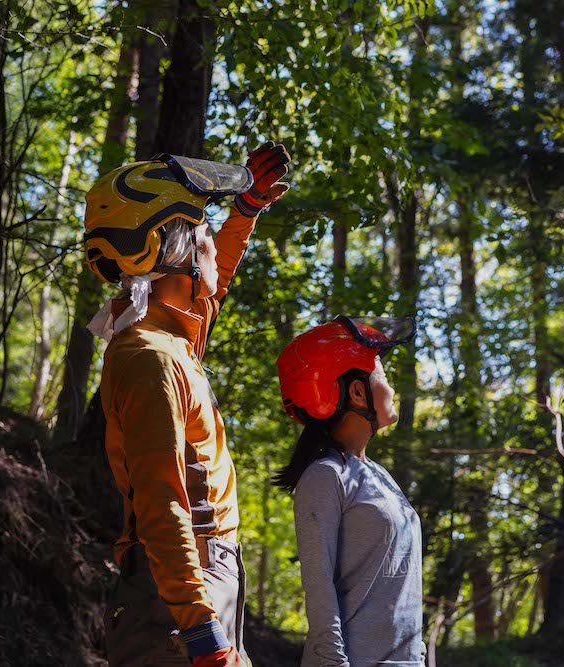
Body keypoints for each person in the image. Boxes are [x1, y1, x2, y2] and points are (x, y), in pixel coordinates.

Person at [85, 143, 291, 666]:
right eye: (203, 229)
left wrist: (245, 213)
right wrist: (200, 630)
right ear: (171, 250)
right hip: (178, 597)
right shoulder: (150, 357)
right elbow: (161, 501)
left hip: (194, 583)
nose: (210, 240)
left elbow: (205, 292)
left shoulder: (171, 339)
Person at [274, 316, 424, 667]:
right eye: (383, 378)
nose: (391, 387)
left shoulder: (378, 476)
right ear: (357, 392)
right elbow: (318, 585)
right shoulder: (325, 476)